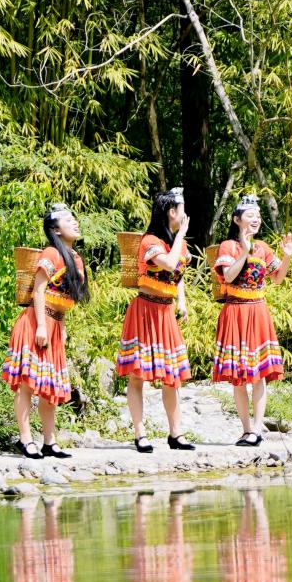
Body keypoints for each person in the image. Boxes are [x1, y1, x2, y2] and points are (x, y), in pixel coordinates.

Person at [2, 204, 88, 459]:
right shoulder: (52, 253)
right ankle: (26, 438)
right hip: (36, 322)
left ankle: (50, 441)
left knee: (50, 384)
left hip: (55, 324)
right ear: (56, 230)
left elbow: (65, 298)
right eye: (68, 220)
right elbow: (38, 291)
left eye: (74, 219)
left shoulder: (76, 258)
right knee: (27, 384)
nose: (75, 223)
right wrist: (41, 325)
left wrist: (60, 329)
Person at [211, 195, 292, 447]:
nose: (256, 218)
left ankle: (257, 430)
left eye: (258, 214)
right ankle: (246, 429)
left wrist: (287, 256)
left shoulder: (264, 248)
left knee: (258, 374)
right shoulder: (229, 246)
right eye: (250, 214)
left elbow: (278, 278)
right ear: (237, 220)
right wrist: (244, 252)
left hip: (257, 311)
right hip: (235, 311)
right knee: (239, 375)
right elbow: (227, 276)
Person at [116, 189, 194, 452]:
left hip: (165, 312)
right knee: (139, 375)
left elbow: (179, 273)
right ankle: (140, 434)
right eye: (182, 208)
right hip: (145, 312)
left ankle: (176, 433)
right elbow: (171, 264)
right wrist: (181, 235)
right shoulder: (150, 241)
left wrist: (181, 301)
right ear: (172, 212)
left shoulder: (177, 243)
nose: (185, 214)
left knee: (172, 376)